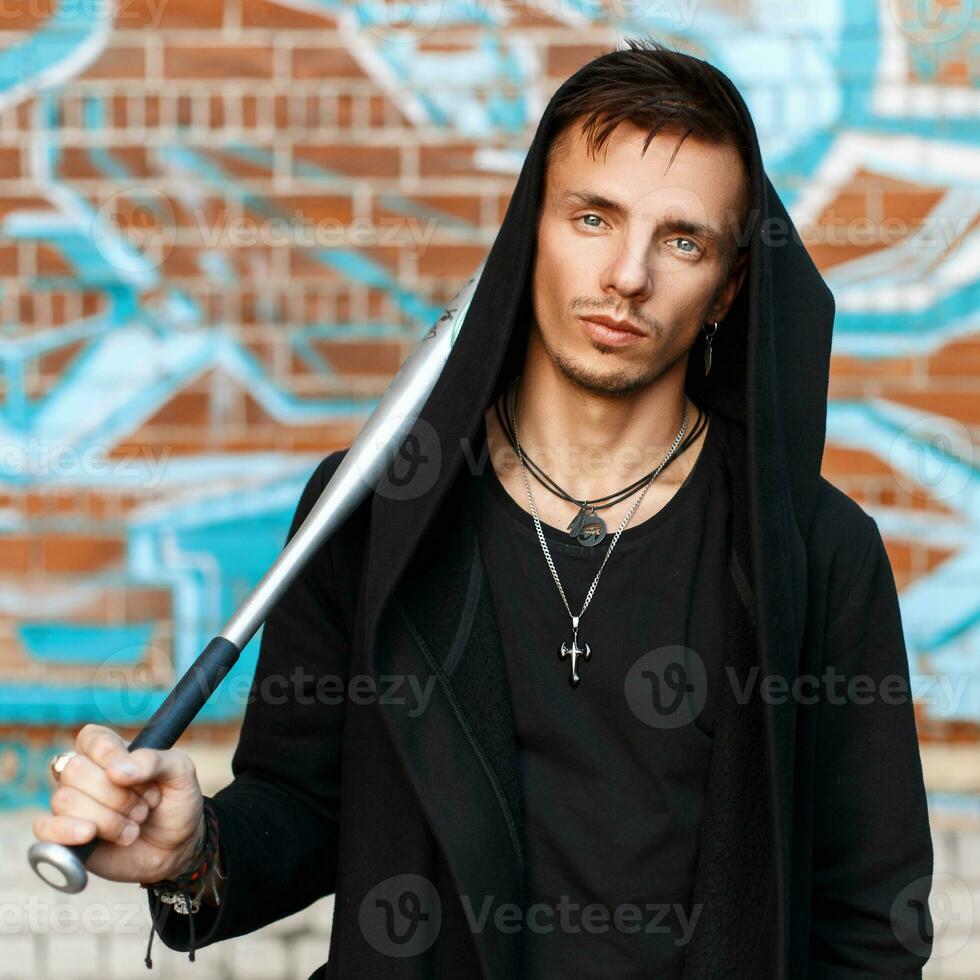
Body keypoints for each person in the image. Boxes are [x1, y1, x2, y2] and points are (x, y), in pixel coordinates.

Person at [33, 37, 934, 978]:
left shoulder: (813, 550)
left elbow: (872, 916)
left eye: (682, 239)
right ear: (530, 231)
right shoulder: (373, 513)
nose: (629, 275)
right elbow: (302, 808)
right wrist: (191, 855)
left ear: (728, 288)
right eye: (593, 217)